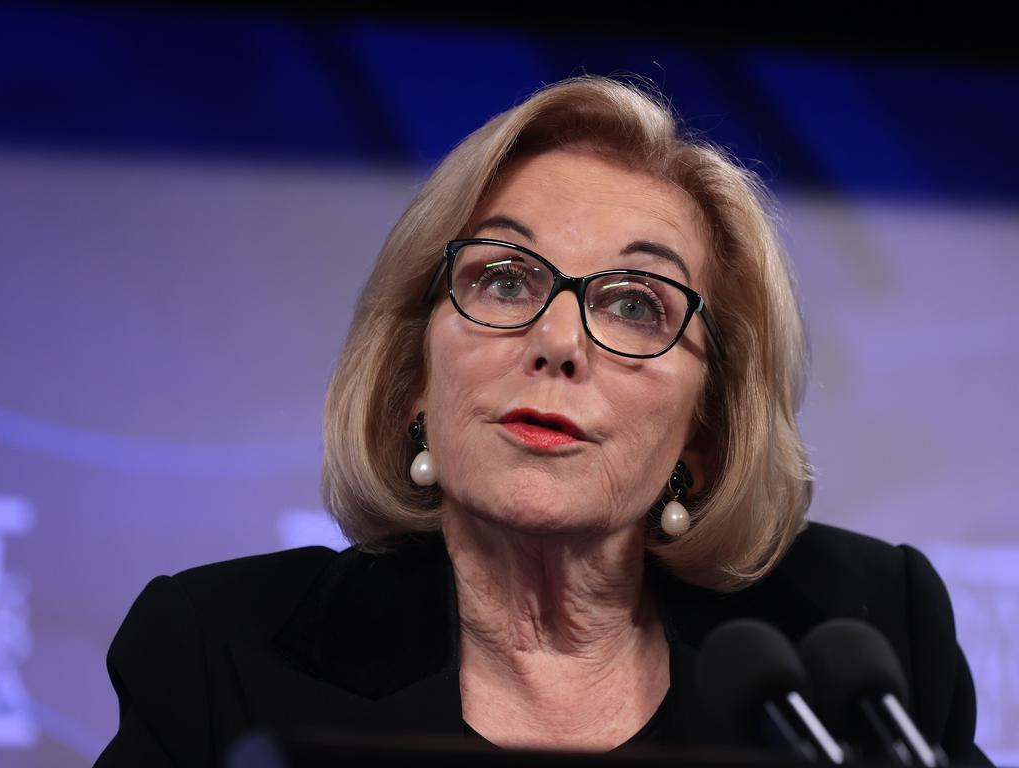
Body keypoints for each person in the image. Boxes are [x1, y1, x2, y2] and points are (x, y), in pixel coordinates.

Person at [94, 74, 987, 766]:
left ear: (705, 434)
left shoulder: (861, 641)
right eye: (505, 280)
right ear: (413, 378)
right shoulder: (221, 655)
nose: (559, 341)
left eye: (637, 304)